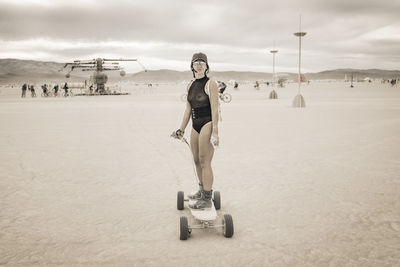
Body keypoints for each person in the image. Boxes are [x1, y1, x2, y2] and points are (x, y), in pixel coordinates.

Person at [172, 52, 219, 209]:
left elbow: (215, 108)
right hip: (195, 124)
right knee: (196, 160)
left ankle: (207, 197)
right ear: (191, 66)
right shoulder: (189, 85)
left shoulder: (211, 83)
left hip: (207, 123)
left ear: (206, 66)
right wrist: (181, 129)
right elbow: (187, 110)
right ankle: (201, 190)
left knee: (205, 160)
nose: (199, 65)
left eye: (202, 62)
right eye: (196, 62)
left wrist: (215, 132)